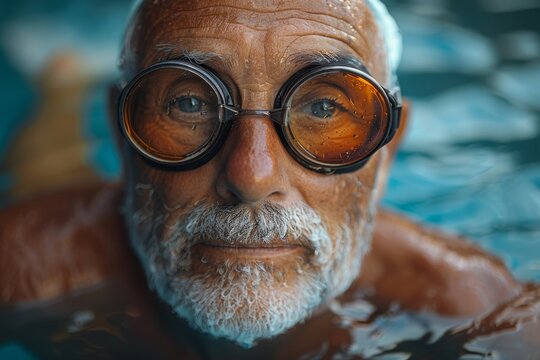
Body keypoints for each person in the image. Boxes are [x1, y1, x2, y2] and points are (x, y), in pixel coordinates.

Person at [0, 0, 537, 358]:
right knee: (48, 171)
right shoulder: (26, 268)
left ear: (388, 149)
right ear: (123, 136)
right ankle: (62, 86)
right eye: (188, 103)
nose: (252, 175)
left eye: (324, 108)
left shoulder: (471, 303)